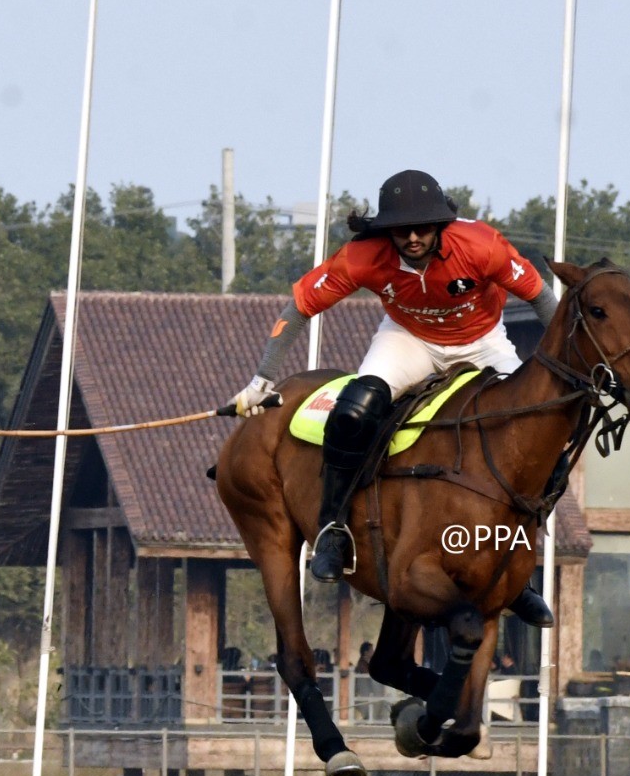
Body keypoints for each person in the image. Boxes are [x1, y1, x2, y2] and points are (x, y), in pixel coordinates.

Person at [230, 168, 559, 626]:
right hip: (409, 340)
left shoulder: (482, 245)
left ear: (441, 223)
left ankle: (517, 578)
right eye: (401, 229)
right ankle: (332, 532)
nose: (412, 237)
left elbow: (545, 302)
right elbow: (300, 306)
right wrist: (263, 378)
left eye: (422, 227)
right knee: (353, 412)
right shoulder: (365, 256)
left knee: (540, 432)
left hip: (483, 343)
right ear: (387, 229)